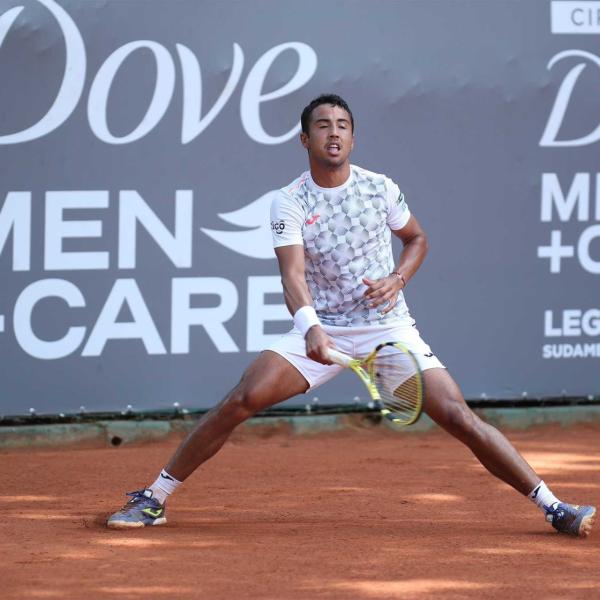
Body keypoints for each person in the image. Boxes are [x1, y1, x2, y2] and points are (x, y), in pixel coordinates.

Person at [107, 94, 595, 537]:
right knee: (243, 397)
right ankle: (154, 498)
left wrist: (399, 278)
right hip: (322, 328)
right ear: (305, 139)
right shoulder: (289, 201)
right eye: (322, 125)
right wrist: (311, 328)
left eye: (342, 124)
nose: (333, 132)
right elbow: (292, 277)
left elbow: (417, 239)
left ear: (353, 137)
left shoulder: (381, 188)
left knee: (458, 417)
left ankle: (554, 508)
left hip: (388, 329)